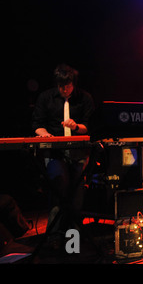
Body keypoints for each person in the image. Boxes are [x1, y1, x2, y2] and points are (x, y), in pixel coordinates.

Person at [31, 64, 94, 241]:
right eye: (60, 86)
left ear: (73, 83)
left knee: (76, 195)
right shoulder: (46, 98)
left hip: (78, 152)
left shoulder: (84, 98)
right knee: (58, 187)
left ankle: (74, 237)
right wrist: (45, 134)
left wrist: (76, 126)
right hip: (55, 152)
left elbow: (89, 127)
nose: (64, 89)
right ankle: (54, 236)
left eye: (67, 86)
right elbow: (37, 124)